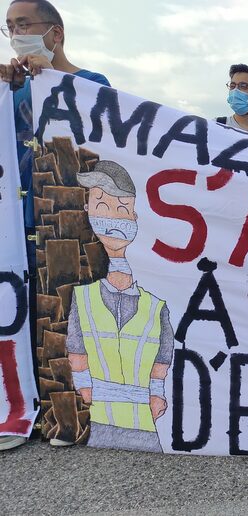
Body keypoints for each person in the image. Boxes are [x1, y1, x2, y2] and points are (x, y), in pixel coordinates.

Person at [0, 0, 110, 452]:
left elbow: (99, 141)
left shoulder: (91, 83)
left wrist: (54, 82)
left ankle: (64, 415)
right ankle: (18, 409)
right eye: (8, 27)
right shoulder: (12, 89)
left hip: (66, 223)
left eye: (23, 24)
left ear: (55, 33)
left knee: (62, 318)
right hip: (17, 222)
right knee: (20, 317)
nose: (14, 33)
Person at [66, 160, 174, 453]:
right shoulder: (83, 298)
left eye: (122, 209)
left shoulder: (155, 305)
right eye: (101, 204)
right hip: (99, 425)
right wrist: (84, 385)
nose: (112, 217)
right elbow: (76, 350)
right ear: (87, 209)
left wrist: (156, 392)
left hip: (145, 427)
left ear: (136, 216)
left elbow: (163, 356)